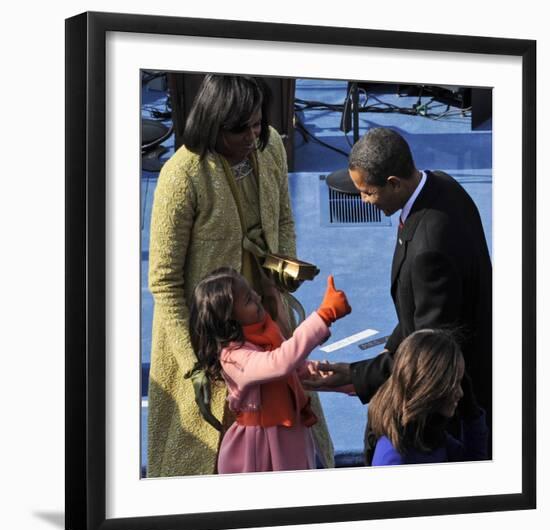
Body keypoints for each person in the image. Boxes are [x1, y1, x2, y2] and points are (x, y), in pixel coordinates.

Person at [147, 75, 334, 477]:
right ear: (214, 126)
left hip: (265, 315)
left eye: (256, 123)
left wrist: (282, 276)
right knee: (207, 458)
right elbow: (163, 281)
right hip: (207, 336)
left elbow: (283, 218)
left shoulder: (270, 151)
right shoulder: (181, 176)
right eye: (241, 129)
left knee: (287, 424)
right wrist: (193, 364)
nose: (253, 135)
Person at [304, 127, 493, 457]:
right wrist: (362, 369)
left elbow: (428, 352)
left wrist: (356, 377)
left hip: (452, 409)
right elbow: (414, 319)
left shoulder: (429, 250)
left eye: (368, 193)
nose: (363, 200)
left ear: (393, 183)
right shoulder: (441, 186)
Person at [189, 268, 351, 473]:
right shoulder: (232, 358)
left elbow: (296, 370)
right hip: (260, 450)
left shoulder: (265, 332)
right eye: (248, 300)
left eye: (252, 292)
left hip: (291, 435)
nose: (257, 297)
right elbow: (280, 363)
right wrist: (324, 315)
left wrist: (351, 380)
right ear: (229, 320)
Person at [368, 329, 488, 466]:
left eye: (461, 383)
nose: (461, 393)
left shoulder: (426, 432)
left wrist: (471, 413)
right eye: (453, 384)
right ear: (429, 387)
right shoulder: (394, 458)